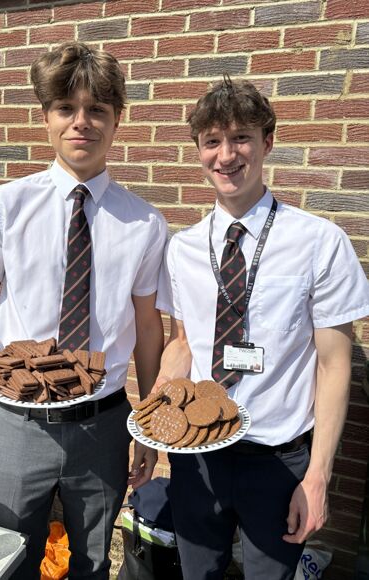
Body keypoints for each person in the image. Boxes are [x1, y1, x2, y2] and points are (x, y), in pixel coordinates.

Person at [0, 41, 166, 580]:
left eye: (97, 109)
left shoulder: (145, 223)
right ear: (46, 117)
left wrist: (149, 425)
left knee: (92, 563)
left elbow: (148, 326)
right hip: (18, 423)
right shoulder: (3, 206)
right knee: (8, 560)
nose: (81, 122)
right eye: (66, 108)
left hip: (103, 425)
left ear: (117, 120)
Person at [154, 75, 369, 580]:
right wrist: (156, 412)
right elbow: (183, 343)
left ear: (267, 142)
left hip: (278, 463)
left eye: (241, 138)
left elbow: (334, 365)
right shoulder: (182, 249)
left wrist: (318, 476)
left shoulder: (319, 242)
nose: (226, 155)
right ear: (199, 150)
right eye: (212, 141)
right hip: (197, 457)